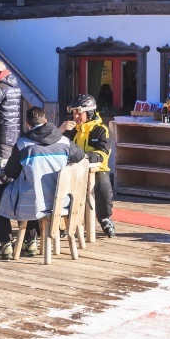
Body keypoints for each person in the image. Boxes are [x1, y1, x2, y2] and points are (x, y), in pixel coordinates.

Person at [0, 106, 84, 260]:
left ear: (27, 124)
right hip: (61, 201)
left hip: (34, 201)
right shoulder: (64, 141)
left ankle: (3, 243)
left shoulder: (23, 143)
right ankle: (30, 241)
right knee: (30, 188)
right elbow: (80, 156)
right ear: (46, 120)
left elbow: (11, 172)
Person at [59, 93, 116, 238]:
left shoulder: (102, 130)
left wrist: (82, 156)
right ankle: (63, 221)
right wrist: (60, 131)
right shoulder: (70, 129)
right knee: (60, 185)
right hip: (73, 170)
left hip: (97, 168)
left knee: (103, 186)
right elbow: (57, 147)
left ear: (89, 112)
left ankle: (105, 217)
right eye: (73, 113)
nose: (76, 117)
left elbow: (102, 154)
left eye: (79, 113)